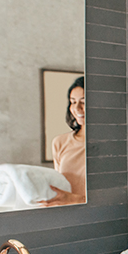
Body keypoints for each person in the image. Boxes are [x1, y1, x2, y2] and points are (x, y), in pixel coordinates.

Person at [43, 76, 86, 206]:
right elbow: (59, 186)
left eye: (83, 102)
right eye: (73, 102)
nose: (77, 108)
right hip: (67, 216)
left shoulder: (117, 142)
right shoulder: (60, 142)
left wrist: (77, 200)